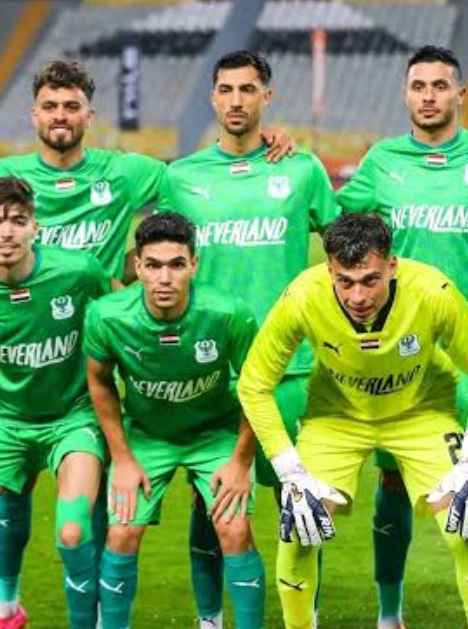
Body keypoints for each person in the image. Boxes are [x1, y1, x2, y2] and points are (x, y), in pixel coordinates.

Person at [0, 59, 291, 629]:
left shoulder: (127, 171)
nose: (60, 116)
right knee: (13, 483)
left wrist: (265, 141)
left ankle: (101, 612)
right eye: (50, 106)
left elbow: (200, 176)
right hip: (30, 345)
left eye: (71, 106)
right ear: (34, 114)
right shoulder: (2, 174)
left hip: (104, 345)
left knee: (101, 492)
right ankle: (6, 603)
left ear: (90, 114)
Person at [337, 44, 468, 629]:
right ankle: (389, 613)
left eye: (439, 86)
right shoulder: (382, 162)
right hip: (398, 354)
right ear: (406, 94)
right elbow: (329, 219)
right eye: (418, 86)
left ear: (460, 93)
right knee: (391, 477)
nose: (428, 96)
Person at [237, 212, 468, 629]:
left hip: (422, 411)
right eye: (344, 282)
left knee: (465, 521)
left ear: (392, 266)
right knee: (299, 524)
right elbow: (254, 383)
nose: (357, 296)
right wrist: (289, 471)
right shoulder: (303, 296)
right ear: (330, 270)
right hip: (336, 416)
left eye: (370, 280)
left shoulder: (432, 291)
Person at [161, 50, 339, 627]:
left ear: (267, 96)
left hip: (290, 368)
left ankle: (302, 617)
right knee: (210, 500)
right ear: (212, 98)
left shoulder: (302, 171)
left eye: (247, 89)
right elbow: (157, 260)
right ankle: (210, 619)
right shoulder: (180, 178)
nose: (236, 100)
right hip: (211, 369)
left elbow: (343, 252)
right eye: (226, 90)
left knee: (299, 502)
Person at [0, 177, 110, 629]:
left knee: (72, 531)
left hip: (73, 420)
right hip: (4, 423)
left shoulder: (77, 271)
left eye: (18, 220)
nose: (7, 232)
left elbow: (120, 317)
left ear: (36, 227)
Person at [85, 212, 266, 629]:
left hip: (216, 433)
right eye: (153, 265)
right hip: (148, 436)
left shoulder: (228, 314)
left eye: (176, 265)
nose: (164, 278)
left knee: (235, 529)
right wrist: (122, 459)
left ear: (194, 265)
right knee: (122, 533)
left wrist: (240, 462)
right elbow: (99, 382)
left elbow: (257, 388)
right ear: (137, 267)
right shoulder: (107, 316)